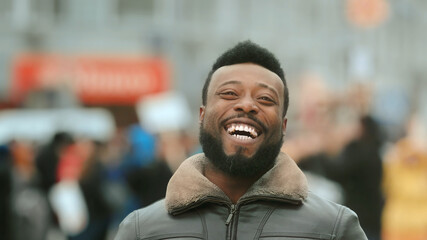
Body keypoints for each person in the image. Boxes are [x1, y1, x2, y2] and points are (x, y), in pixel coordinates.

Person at [114, 41, 368, 239]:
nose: (247, 105)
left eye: (265, 99)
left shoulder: (334, 228)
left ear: (283, 126)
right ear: (202, 116)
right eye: (229, 93)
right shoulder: (142, 230)